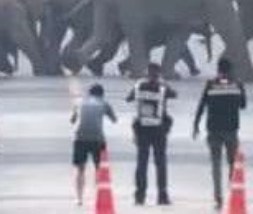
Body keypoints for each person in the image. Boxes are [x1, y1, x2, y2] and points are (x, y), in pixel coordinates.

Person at [192, 57, 247, 211]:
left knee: (215, 165)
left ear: (218, 69)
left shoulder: (210, 84)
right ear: (231, 70)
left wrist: (196, 125)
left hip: (213, 130)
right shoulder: (237, 84)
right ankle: (232, 188)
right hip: (231, 130)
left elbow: (201, 105)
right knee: (232, 163)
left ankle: (218, 198)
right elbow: (243, 105)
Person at [126, 62, 176, 206]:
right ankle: (162, 196)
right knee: (160, 163)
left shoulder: (138, 86)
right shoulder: (162, 86)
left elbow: (129, 98)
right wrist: (163, 83)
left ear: (147, 73)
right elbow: (174, 94)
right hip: (159, 129)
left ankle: (139, 196)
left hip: (142, 129)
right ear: (158, 73)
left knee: (141, 163)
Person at [71, 84, 117, 206]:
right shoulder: (104, 103)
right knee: (99, 169)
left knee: (80, 169)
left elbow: (72, 120)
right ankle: (96, 196)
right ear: (102, 94)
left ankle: (79, 198)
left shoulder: (79, 102)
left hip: (80, 138)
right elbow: (114, 120)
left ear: (88, 93)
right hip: (97, 139)